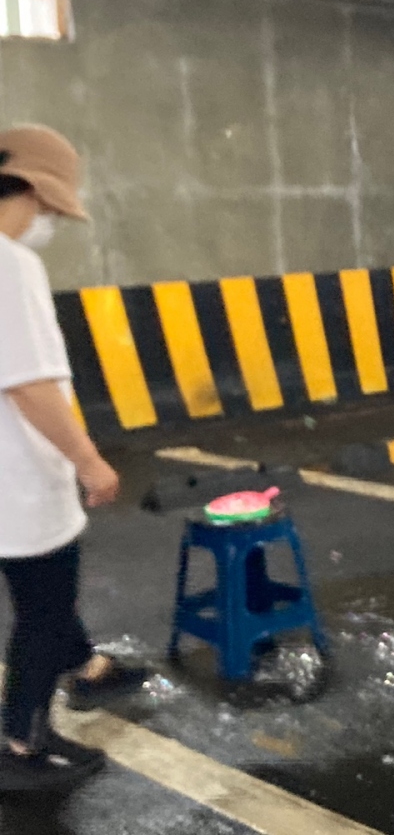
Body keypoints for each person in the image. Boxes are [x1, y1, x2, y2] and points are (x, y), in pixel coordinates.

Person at [0, 125, 147, 791]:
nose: (52, 222)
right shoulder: (11, 264)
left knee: (40, 588)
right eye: (54, 208)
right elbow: (29, 384)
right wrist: (89, 460)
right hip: (18, 475)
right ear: (33, 191)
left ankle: (88, 669)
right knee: (44, 602)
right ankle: (22, 744)